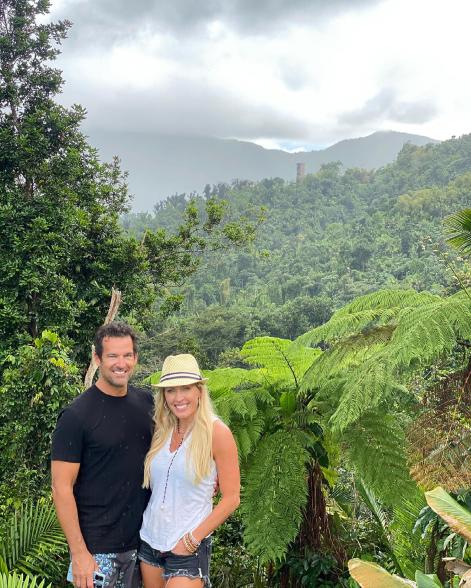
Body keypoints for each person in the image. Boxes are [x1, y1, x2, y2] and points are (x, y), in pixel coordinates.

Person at [51, 322, 154, 588]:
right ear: (97, 358)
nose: (121, 363)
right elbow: (61, 488)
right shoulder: (75, 416)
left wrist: (209, 475)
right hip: (96, 553)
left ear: (135, 358)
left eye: (127, 355)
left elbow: (175, 449)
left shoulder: (146, 404)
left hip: (144, 546)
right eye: (112, 356)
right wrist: (79, 554)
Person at [138, 354, 240, 588]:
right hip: (150, 541)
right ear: (163, 396)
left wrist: (192, 540)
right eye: (171, 390)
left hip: (188, 548)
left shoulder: (217, 432)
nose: (178, 397)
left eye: (185, 388)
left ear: (199, 391)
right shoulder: (161, 430)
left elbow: (232, 498)